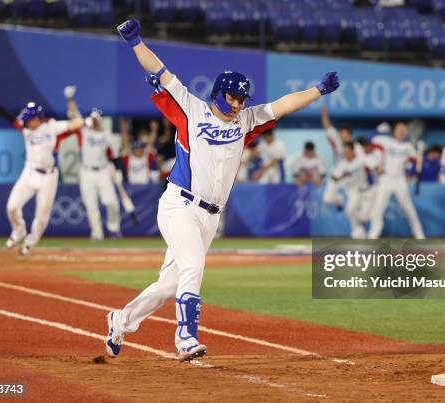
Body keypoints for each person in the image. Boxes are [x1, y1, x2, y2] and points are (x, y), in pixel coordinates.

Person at [105, 19, 339, 362]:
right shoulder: (191, 108)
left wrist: (317, 90)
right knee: (194, 266)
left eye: (243, 98)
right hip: (179, 205)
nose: (239, 104)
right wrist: (135, 42)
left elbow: (282, 105)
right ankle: (185, 336)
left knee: (169, 285)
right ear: (218, 93)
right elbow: (161, 70)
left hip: (210, 217)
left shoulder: (245, 121)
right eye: (233, 96)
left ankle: (121, 320)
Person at [0, 90, 83, 254]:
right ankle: (19, 231)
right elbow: (4, 113)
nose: (25, 121)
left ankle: (30, 242)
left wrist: (92, 117)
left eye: (29, 118)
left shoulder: (52, 127)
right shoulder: (24, 128)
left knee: (42, 218)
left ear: (37, 118)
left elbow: (77, 124)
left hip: (49, 176)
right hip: (30, 172)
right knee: (12, 206)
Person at [64, 85, 122, 240]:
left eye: (97, 118)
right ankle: (97, 233)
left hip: (103, 171)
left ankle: (114, 228)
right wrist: (70, 98)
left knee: (111, 202)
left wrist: (118, 172)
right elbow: (74, 116)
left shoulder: (107, 135)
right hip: (86, 171)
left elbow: (115, 156)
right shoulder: (84, 131)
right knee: (91, 204)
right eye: (93, 118)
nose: (95, 121)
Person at [368, 122, 425, 239]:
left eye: (404, 129)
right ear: (394, 130)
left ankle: (419, 235)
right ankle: (373, 235)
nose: (402, 131)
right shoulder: (385, 141)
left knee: (408, 208)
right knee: (378, 208)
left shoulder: (408, 146)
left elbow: (416, 162)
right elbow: (370, 140)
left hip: (400, 179)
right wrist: (378, 130)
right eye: (400, 129)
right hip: (386, 178)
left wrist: (419, 153)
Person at [326, 141, 377, 239]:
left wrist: (376, 167)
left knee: (365, 217)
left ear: (353, 151)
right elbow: (335, 177)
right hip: (355, 192)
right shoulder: (342, 164)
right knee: (349, 210)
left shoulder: (361, 159)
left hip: (367, 191)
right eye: (344, 151)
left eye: (347, 151)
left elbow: (374, 165)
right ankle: (357, 231)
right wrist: (336, 177)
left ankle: (360, 229)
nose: (345, 153)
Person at [120, 117, 157, 184]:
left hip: (145, 186)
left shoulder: (146, 155)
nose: (139, 150)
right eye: (137, 148)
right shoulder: (129, 157)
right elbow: (125, 142)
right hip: (131, 187)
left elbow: (151, 142)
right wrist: (123, 127)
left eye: (141, 148)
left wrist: (154, 129)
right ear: (134, 150)